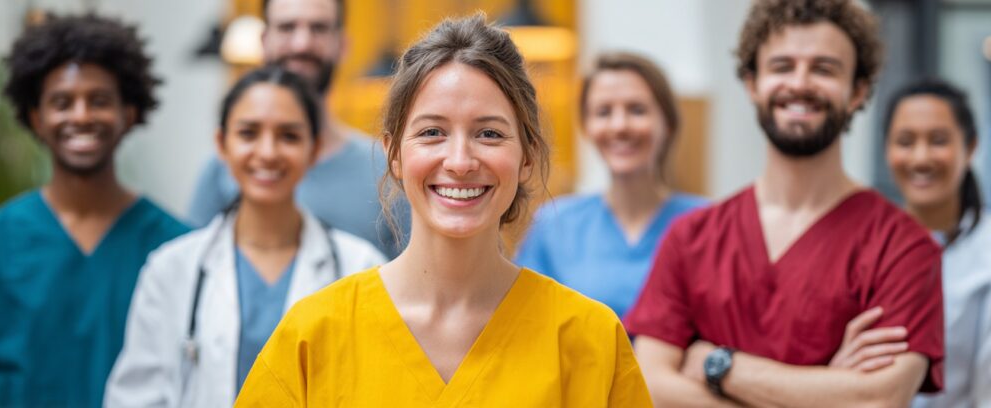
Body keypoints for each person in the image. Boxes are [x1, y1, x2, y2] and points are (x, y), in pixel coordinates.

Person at [234, 14, 653, 407]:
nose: (459, 160)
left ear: (527, 157)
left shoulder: (590, 340)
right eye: (432, 132)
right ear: (394, 154)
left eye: (489, 133)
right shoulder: (313, 335)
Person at [624, 0, 946, 406]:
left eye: (824, 69)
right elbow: (651, 386)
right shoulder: (691, 238)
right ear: (752, 83)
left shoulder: (904, 248)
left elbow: (877, 400)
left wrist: (719, 366)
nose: (800, 83)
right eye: (782, 66)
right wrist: (824, 390)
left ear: (857, 91)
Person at [104, 66, 386, 407]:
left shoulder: (361, 267)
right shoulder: (171, 270)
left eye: (289, 136)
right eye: (249, 133)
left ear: (314, 150)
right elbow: (135, 399)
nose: (267, 152)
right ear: (222, 145)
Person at [0, 14, 189, 407]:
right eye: (62, 102)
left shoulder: (178, 248)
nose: (81, 115)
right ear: (36, 118)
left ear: (129, 114)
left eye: (100, 101)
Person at [188, 0, 407, 258]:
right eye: (287, 27)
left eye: (318, 28)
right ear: (264, 41)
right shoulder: (225, 168)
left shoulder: (386, 172)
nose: (301, 44)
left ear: (343, 44)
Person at [515, 51, 707, 318]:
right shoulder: (555, 225)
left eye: (637, 110)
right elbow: (526, 320)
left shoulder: (707, 225)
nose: (619, 125)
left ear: (669, 124)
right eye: (603, 112)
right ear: (586, 127)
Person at [883, 79, 991, 408]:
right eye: (905, 141)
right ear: (887, 149)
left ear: (970, 147)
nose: (920, 157)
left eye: (939, 140)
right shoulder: (867, 245)